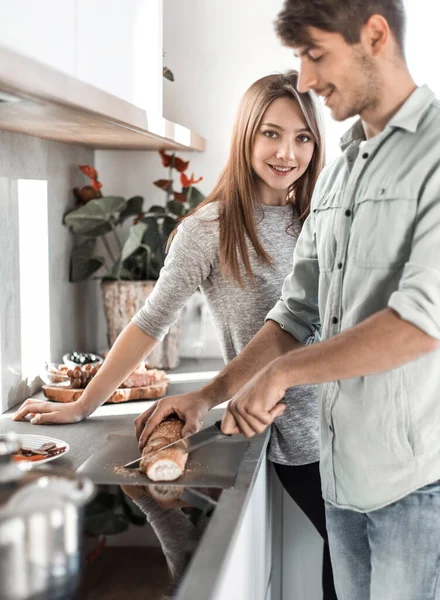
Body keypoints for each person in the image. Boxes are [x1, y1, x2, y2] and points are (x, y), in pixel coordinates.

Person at [138, 1, 440, 599]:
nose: (303, 78)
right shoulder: (339, 174)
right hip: (339, 468)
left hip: (415, 479)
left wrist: (280, 375)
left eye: (315, 55)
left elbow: (420, 321)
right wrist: (206, 395)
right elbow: (295, 313)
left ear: (374, 37)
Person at [14, 71, 337, 597]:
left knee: (355, 568)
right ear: (246, 134)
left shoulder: (320, 219)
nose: (288, 152)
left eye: (303, 137)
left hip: (354, 425)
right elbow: (149, 321)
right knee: (351, 567)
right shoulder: (208, 229)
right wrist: (85, 405)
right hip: (301, 438)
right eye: (271, 133)